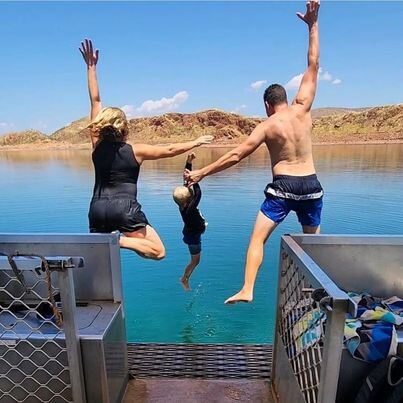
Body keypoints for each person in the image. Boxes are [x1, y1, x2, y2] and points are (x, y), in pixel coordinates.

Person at [185, 0, 323, 303]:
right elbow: (313, 65)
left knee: (258, 238)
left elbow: (235, 155)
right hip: (311, 185)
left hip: (284, 187)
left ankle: (248, 288)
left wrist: (201, 173)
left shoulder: (267, 126)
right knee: (313, 245)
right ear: (286, 98)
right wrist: (313, 26)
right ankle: (313, 291)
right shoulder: (303, 108)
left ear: (266, 105)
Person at [79, 39, 213, 260]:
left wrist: (90, 68)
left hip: (96, 209)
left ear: (102, 126)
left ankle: (111, 249)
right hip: (125, 209)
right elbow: (169, 149)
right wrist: (195, 142)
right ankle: (119, 240)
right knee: (157, 251)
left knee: (105, 258)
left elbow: (95, 101)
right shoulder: (135, 150)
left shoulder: (97, 145)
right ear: (124, 128)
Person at [173, 153, 207, 291]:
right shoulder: (190, 208)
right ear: (189, 199)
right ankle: (184, 279)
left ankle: (185, 278)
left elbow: (186, 181)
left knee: (195, 260)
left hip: (191, 233)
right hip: (193, 237)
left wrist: (189, 163)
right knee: (195, 261)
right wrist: (197, 180)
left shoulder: (183, 204)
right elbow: (198, 193)